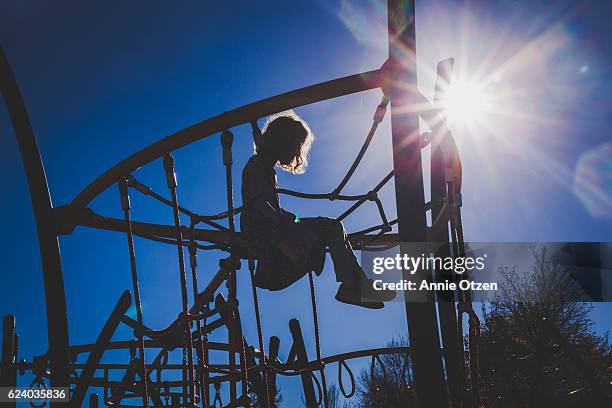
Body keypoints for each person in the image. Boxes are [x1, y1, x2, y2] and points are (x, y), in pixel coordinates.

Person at [240, 110, 395, 309]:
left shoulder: (265, 168)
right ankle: (352, 286)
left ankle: (356, 282)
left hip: (270, 232)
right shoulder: (257, 166)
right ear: (283, 142)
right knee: (331, 227)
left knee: (331, 229)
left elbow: (265, 207)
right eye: (297, 145)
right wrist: (283, 219)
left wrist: (291, 218)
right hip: (266, 236)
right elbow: (258, 204)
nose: (297, 152)